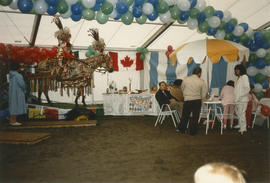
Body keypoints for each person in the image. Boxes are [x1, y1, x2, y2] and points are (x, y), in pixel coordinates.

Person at [177, 67, 207, 135]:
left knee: (185, 116)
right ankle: (193, 132)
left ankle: (182, 130)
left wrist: (185, 95)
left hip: (187, 99)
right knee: (195, 117)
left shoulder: (185, 79)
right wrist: (202, 101)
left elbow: (182, 88)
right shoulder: (201, 81)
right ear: (199, 73)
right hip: (197, 100)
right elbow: (203, 93)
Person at [8, 62, 27, 126]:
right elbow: (22, 84)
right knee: (16, 105)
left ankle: (12, 120)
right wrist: (25, 90)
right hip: (18, 92)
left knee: (13, 105)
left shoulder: (10, 75)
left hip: (11, 92)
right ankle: (13, 121)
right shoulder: (18, 75)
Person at [234, 64, 250, 134]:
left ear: (240, 70)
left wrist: (240, 96)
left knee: (242, 113)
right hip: (238, 99)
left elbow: (247, 89)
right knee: (238, 113)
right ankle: (240, 124)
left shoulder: (244, 77)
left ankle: (243, 128)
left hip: (242, 99)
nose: (236, 71)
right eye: (235, 70)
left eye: (237, 70)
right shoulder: (239, 77)